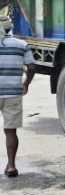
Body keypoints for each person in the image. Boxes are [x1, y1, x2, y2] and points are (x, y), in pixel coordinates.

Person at [1, 14, 35, 178]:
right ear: (10, 28)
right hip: (13, 93)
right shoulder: (22, 45)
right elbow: (32, 67)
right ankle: (12, 166)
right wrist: (26, 83)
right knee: (10, 131)